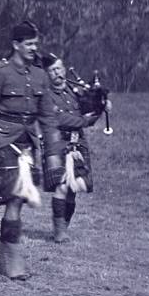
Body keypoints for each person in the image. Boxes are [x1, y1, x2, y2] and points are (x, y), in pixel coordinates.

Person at [0, 21, 63, 280]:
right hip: (2, 142)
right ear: (16, 45)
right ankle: (13, 264)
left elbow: (48, 119)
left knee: (19, 201)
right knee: (15, 199)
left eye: (36, 43)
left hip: (27, 145)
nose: (34, 48)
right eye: (29, 44)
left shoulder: (40, 75)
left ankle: (5, 259)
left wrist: (54, 154)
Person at [40, 53, 104, 243]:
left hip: (78, 143)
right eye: (52, 70)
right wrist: (86, 121)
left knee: (72, 191)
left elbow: (89, 108)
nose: (57, 73)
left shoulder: (74, 91)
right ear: (47, 74)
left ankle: (63, 227)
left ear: (64, 69)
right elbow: (59, 119)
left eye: (59, 68)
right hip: (56, 143)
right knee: (61, 185)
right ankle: (59, 232)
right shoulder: (45, 95)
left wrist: (102, 104)